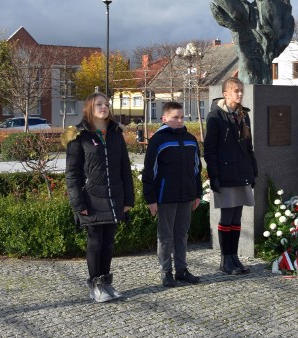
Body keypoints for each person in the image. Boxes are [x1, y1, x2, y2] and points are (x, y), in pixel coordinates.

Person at [63, 92, 134, 303]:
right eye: (99, 104)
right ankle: (95, 285)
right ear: (89, 108)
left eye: (106, 104)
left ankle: (106, 283)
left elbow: (125, 169)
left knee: (109, 242)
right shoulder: (79, 136)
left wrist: (128, 200)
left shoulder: (115, 133)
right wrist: (78, 203)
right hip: (91, 199)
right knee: (95, 242)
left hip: (114, 197)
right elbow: (72, 173)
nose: (104, 107)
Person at [142, 102, 202, 287]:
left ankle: (182, 270)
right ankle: (166, 272)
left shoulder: (191, 139)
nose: (179, 120)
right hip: (165, 196)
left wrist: (197, 193)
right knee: (165, 236)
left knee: (182, 234)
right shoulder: (158, 140)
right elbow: (149, 171)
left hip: (186, 196)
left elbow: (197, 169)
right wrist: (151, 199)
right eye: (175, 117)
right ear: (164, 118)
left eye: (182, 117)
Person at [204, 77, 257, 275]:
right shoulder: (215, 116)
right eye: (236, 90)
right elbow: (210, 150)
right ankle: (225, 260)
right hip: (225, 174)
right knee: (226, 217)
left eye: (241, 90)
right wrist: (214, 176)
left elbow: (248, 146)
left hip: (241, 173)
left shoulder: (243, 116)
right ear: (225, 94)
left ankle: (234, 258)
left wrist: (253, 170)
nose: (240, 93)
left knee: (237, 217)